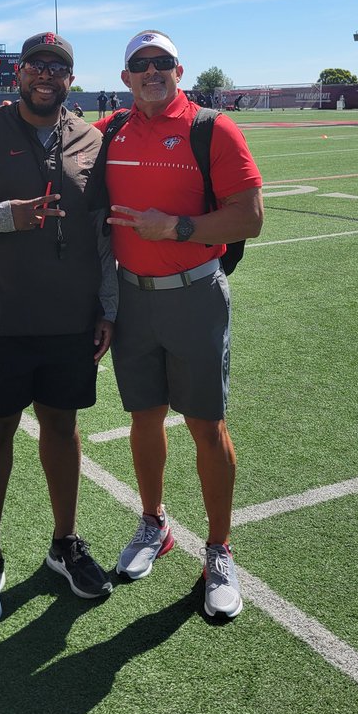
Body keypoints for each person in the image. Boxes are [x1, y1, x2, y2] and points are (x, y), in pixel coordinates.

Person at [0, 31, 117, 627]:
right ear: (19, 73)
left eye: (58, 68)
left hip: (68, 323)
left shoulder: (90, 138)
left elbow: (103, 233)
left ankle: (65, 544)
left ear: (70, 78)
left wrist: (107, 307)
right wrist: (7, 217)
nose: (46, 75)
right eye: (36, 64)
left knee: (63, 429)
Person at [94, 30, 263, 620]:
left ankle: (219, 550)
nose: (151, 72)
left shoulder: (210, 128)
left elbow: (250, 218)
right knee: (144, 418)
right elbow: (56, 148)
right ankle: (154, 524)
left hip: (194, 295)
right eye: (140, 65)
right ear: (126, 78)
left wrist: (178, 228)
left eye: (161, 62)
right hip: (133, 303)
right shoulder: (111, 131)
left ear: (178, 69)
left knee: (205, 425)